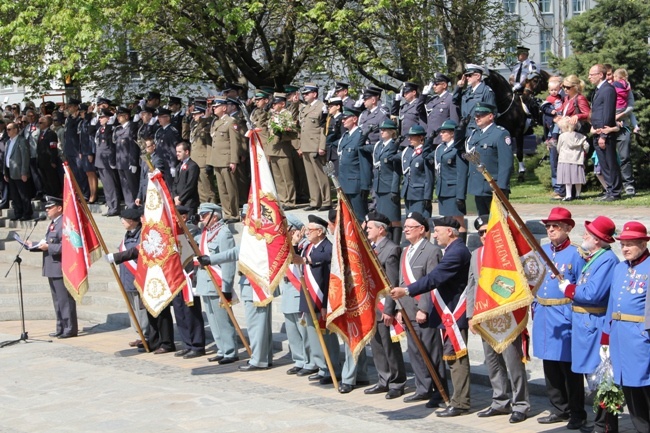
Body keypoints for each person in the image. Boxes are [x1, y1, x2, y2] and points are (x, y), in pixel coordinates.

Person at [391, 216, 471, 417]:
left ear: (450, 232)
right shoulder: (452, 250)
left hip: (455, 312)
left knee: (456, 359)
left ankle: (460, 402)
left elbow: (434, 278)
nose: (434, 235)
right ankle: (457, 399)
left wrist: (407, 290)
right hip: (448, 313)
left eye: (438, 231)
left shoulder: (457, 252)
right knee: (452, 358)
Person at [557, 216, 619, 433]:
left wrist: (570, 290)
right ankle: (599, 421)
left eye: (588, 234)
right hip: (584, 324)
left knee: (601, 376)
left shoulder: (607, 260)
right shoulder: (596, 257)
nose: (583, 236)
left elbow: (593, 293)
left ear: (599, 240)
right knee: (591, 375)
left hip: (595, 323)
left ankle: (605, 425)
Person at [466, 215, 530, 424]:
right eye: (481, 233)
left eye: (487, 231)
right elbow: (472, 288)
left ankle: (520, 404)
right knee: (493, 363)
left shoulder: (507, 254)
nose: (484, 236)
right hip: (485, 317)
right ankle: (500, 401)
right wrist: (470, 316)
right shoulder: (475, 255)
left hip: (507, 316)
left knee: (513, 363)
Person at [533, 207, 587, 429]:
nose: (551, 229)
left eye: (556, 226)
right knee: (550, 365)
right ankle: (559, 408)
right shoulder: (542, 250)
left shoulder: (577, 253)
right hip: (544, 314)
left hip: (565, 315)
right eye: (548, 226)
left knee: (569, 368)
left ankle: (577, 412)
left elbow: (583, 287)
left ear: (568, 228)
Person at [391, 212, 446, 406]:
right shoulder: (405, 251)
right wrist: (398, 309)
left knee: (431, 352)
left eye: (410, 227)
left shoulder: (432, 251)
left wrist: (424, 308)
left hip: (423, 311)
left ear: (421, 229)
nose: (405, 229)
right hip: (406, 310)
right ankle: (423, 388)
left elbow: (432, 283)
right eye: (404, 226)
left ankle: (440, 390)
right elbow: (400, 282)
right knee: (414, 351)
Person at [604, 222, 650, 433]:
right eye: (623, 245)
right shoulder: (620, 268)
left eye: (630, 244)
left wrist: (645, 334)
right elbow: (612, 303)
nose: (625, 249)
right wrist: (606, 334)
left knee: (644, 385)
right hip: (619, 337)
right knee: (629, 386)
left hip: (640, 337)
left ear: (643, 244)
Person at [364, 211, 407, 399]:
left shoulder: (391, 249)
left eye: (370, 227)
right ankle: (384, 379)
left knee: (389, 346)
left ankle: (397, 382)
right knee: (377, 346)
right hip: (372, 305)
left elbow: (391, 282)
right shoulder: (370, 247)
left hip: (384, 306)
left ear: (381, 230)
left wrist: (389, 309)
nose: (366, 230)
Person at [296, 215, 342, 385]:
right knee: (313, 336)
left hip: (322, 300)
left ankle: (332, 369)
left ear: (321, 232)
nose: (307, 232)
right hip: (308, 297)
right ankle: (322, 366)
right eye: (306, 230)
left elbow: (328, 278)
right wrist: (294, 243)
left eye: (310, 230)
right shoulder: (308, 247)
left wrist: (325, 305)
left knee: (327, 337)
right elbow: (296, 259)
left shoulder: (327, 248)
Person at [194, 203, 239, 364]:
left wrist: (227, 287)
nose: (201, 218)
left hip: (218, 282)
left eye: (204, 215)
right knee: (213, 320)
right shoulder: (205, 233)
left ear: (215, 216)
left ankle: (230, 351)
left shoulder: (224, 233)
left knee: (223, 320)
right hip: (205, 282)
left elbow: (228, 262)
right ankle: (221, 348)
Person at [30, 197, 77, 338]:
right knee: (57, 300)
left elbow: (68, 245)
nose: (47, 210)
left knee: (64, 300)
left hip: (60, 266)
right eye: (46, 208)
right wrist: (33, 244)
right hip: (51, 265)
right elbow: (49, 241)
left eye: (49, 207)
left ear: (59, 208)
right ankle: (60, 327)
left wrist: (48, 247)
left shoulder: (64, 223)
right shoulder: (53, 223)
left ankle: (69, 328)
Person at [104, 207, 150, 348]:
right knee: (133, 310)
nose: (122, 222)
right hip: (127, 278)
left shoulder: (142, 234)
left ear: (131, 221)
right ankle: (139, 334)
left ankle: (146, 335)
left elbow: (136, 253)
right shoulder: (128, 234)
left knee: (141, 309)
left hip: (138, 278)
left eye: (123, 220)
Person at [459, 102, 513, 216]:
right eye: (476, 115)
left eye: (481, 115)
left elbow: (506, 163)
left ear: (490, 116)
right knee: (483, 223)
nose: (477, 118)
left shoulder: (500, 134)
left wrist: (502, 187)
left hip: (493, 187)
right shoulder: (474, 134)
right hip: (478, 186)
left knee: (499, 223)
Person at [280, 215, 317, 377]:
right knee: (292, 330)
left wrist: (295, 244)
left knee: (304, 331)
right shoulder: (285, 246)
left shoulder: (305, 246)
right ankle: (299, 360)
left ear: (294, 230)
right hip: (288, 290)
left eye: (286, 230)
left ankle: (311, 362)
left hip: (299, 290)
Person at [172, 205, 207, 359]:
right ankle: (187, 343)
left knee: (191, 311)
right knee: (179, 311)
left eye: (174, 216)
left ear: (183, 217)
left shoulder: (190, 229)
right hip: (176, 275)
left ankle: (197, 345)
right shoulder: (174, 231)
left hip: (189, 275)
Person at [588, 63, 621, 201]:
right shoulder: (597, 90)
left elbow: (607, 113)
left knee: (610, 162)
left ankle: (615, 191)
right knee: (603, 164)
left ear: (600, 75)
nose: (589, 77)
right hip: (597, 131)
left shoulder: (608, 89)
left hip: (605, 133)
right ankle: (609, 189)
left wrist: (604, 134)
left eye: (592, 74)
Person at [298, 83, 330, 211]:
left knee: (321, 174)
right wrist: (300, 146)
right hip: (306, 146)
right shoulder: (305, 108)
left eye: (307, 93)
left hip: (316, 145)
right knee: (310, 176)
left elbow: (324, 128)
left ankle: (326, 201)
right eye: (304, 94)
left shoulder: (322, 107)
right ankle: (315, 200)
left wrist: (322, 146)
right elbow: (303, 128)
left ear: (314, 94)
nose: (304, 96)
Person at [433, 119, 467, 235]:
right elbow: (427, 155)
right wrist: (428, 141)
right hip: (443, 189)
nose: (441, 134)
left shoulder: (457, 149)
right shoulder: (441, 148)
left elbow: (461, 173)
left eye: (444, 132)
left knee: (458, 220)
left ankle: (461, 247)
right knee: (447, 221)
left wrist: (460, 196)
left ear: (452, 133)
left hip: (454, 190)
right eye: (441, 132)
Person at [337, 107, 372, 221]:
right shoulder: (345, 136)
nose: (343, 121)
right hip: (344, 182)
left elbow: (365, 163)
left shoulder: (360, 136)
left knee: (361, 217)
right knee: (348, 218)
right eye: (342, 118)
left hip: (356, 184)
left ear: (354, 119)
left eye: (345, 118)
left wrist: (365, 185)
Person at [266, 93, 299, 209]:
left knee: (287, 177)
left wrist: (282, 133)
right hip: (273, 149)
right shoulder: (273, 115)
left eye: (276, 103)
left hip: (283, 150)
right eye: (273, 104)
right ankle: (283, 199)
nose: (273, 105)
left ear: (282, 104)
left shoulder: (287, 114)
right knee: (278, 178)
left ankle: (290, 200)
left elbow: (292, 132)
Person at [371, 119, 401, 242]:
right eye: (381, 130)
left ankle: (395, 244)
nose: (382, 132)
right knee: (383, 219)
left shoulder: (394, 145)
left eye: (385, 130)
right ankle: (386, 243)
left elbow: (396, 170)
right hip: (379, 185)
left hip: (389, 186)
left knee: (394, 218)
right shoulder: (379, 145)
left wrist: (394, 189)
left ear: (392, 131)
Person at [453, 64, 496, 140]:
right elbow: (455, 100)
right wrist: (459, 87)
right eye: (466, 75)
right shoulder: (467, 91)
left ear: (478, 76)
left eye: (470, 75)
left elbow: (492, 113)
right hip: (465, 129)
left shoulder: (486, 91)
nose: (467, 78)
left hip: (478, 129)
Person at [400, 124, 434, 218]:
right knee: (410, 221)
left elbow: (429, 177)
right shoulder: (409, 152)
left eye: (412, 136)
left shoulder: (426, 152)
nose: (409, 139)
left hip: (420, 194)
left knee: (421, 222)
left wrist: (427, 196)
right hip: (408, 193)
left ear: (421, 137)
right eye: (409, 136)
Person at [419, 73, 459, 147]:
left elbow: (454, 120)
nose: (434, 86)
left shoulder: (450, 99)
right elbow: (419, 109)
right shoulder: (432, 99)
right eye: (433, 84)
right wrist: (423, 95)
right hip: (430, 138)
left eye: (436, 84)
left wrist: (453, 139)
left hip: (442, 139)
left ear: (444, 85)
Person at [3, 122, 33, 221]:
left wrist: (24, 172)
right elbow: (6, 157)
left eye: (9, 129)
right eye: (7, 129)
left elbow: (25, 158)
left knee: (23, 194)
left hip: (19, 172)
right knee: (14, 194)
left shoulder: (21, 141)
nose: (7, 131)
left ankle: (27, 213)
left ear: (16, 129)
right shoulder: (8, 142)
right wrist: (5, 172)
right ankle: (18, 213)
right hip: (10, 171)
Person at [556, 116, 589, 201]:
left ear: (565, 127)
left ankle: (568, 195)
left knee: (567, 179)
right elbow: (587, 146)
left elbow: (558, 147)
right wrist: (584, 151)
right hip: (577, 159)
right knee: (578, 178)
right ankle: (578, 195)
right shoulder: (581, 136)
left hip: (565, 159)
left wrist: (560, 152)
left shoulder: (562, 136)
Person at [112, 106, 140, 208]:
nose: (118, 118)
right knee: (125, 187)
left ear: (127, 116)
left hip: (128, 162)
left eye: (120, 116)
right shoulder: (118, 129)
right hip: (120, 162)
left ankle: (137, 207)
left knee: (133, 186)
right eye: (118, 116)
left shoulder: (132, 128)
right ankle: (129, 205)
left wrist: (133, 162)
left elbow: (133, 147)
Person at [189, 103, 216, 204]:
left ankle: (212, 208)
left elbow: (209, 145)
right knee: (200, 188)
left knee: (207, 188)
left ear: (202, 114)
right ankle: (205, 208)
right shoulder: (195, 126)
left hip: (203, 161)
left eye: (196, 114)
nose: (193, 116)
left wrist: (209, 162)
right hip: (196, 161)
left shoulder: (207, 126)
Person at [95, 109, 120, 217]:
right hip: (100, 160)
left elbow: (112, 146)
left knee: (111, 185)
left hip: (107, 161)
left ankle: (114, 207)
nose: (100, 119)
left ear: (108, 118)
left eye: (102, 117)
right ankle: (110, 205)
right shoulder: (100, 129)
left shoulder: (111, 129)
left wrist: (110, 123)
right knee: (106, 186)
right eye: (99, 117)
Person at [391, 82, 426, 149]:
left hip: (415, 140)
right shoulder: (404, 106)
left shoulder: (419, 105)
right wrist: (396, 101)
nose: (404, 95)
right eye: (403, 93)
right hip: (403, 140)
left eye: (406, 93)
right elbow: (394, 113)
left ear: (414, 92)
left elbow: (422, 123)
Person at [36, 115, 62, 198]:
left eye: (41, 123)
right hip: (42, 161)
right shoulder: (41, 133)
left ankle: (56, 194)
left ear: (46, 123)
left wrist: (53, 160)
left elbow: (53, 148)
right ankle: (49, 194)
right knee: (45, 179)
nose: (39, 124)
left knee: (52, 179)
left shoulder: (51, 134)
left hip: (49, 161)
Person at [78, 104, 98, 203]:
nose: (80, 114)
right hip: (84, 151)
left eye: (82, 112)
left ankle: (94, 194)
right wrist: (81, 151)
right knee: (87, 173)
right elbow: (81, 139)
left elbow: (90, 139)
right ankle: (91, 193)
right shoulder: (83, 122)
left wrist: (90, 152)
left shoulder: (90, 121)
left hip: (89, 151)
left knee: (91, 173)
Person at [172, 142, 200, 215]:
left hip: (189, 203)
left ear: (186, 152)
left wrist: (180, 199)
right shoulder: (178, 166)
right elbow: (175, 183)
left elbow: (190, 185)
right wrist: (175, 196)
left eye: (179, 152)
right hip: (178, 202)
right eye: (176, 151)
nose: (177, 154)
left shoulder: (193, 166)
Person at [324, 97, 344, 176]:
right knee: (332, 176)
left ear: (338, 107)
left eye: (331, 106)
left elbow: (343, 136)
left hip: (336, 151)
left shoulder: (342, 118)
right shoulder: (331, 119)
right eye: (328, 107)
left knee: (338, 176)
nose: (329, 108)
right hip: (330, 152)